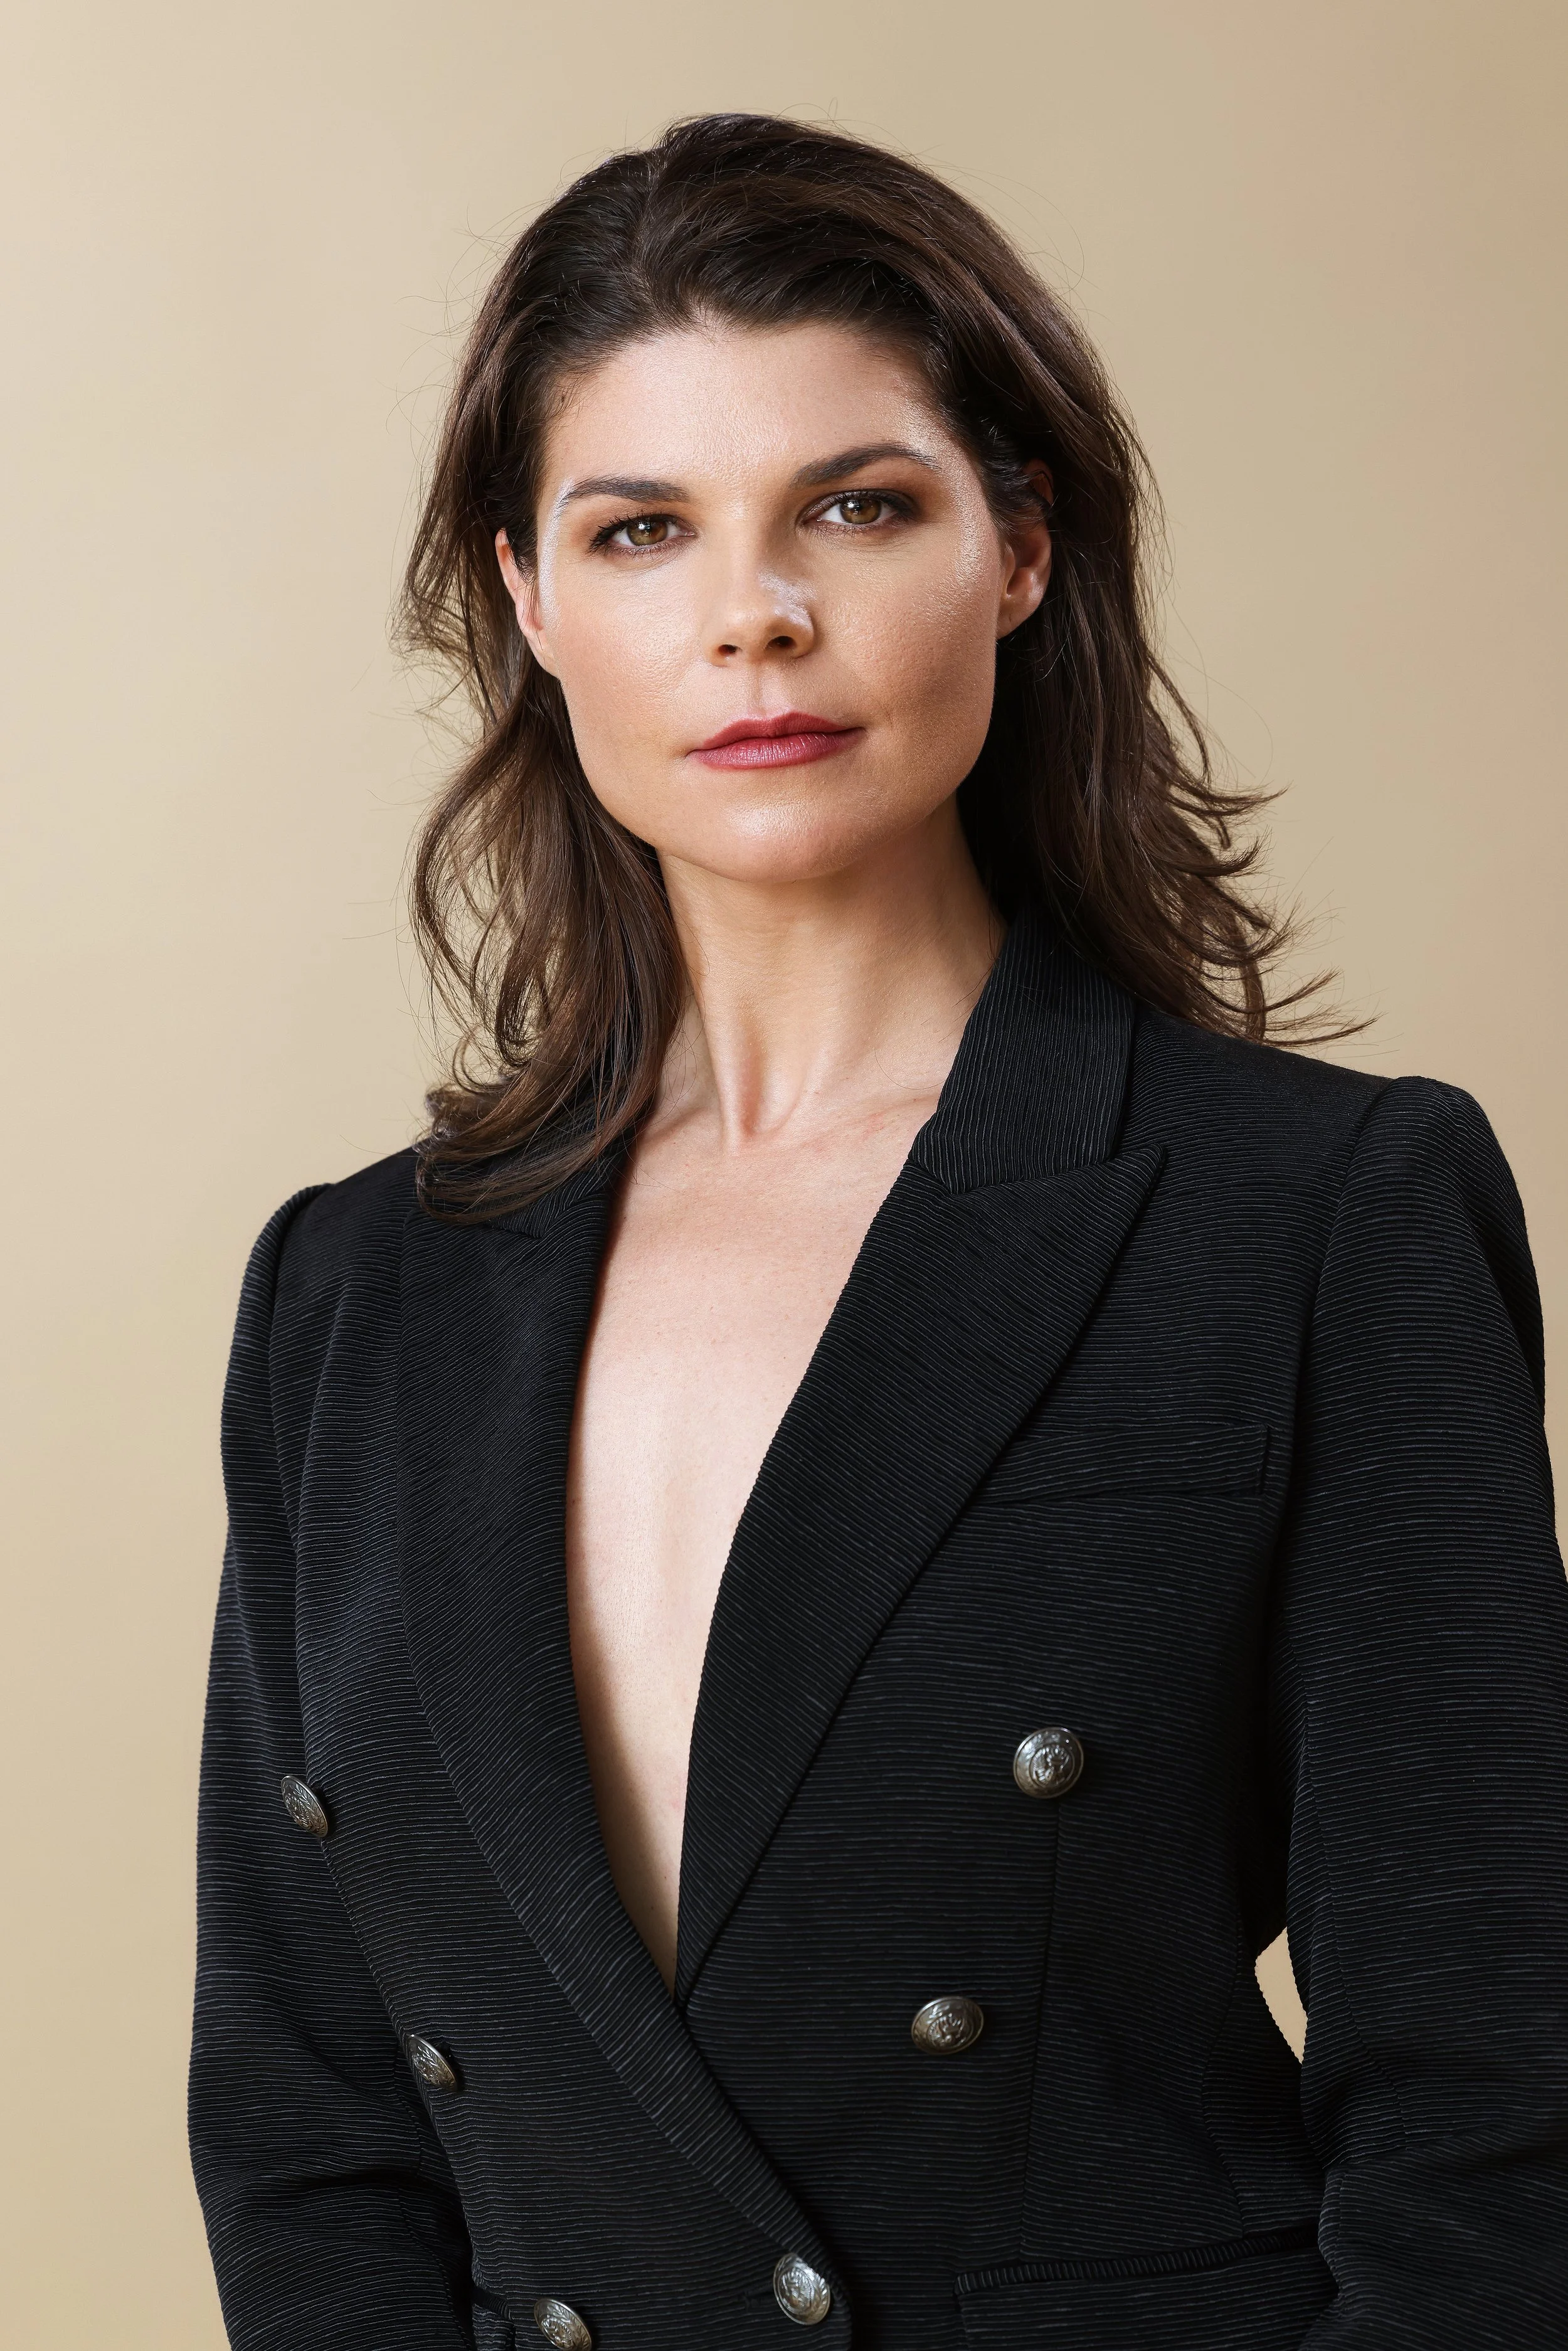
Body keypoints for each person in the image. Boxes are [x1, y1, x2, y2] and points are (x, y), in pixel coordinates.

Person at [188, 113, 1568, 2351]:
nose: (755, 611)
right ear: (528, 599)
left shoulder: (1313, 1208)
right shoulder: (354, 1294)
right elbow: (307, 2110)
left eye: (858, 502)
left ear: (1015, 547)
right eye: (643, 529)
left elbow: (1493, 2123)